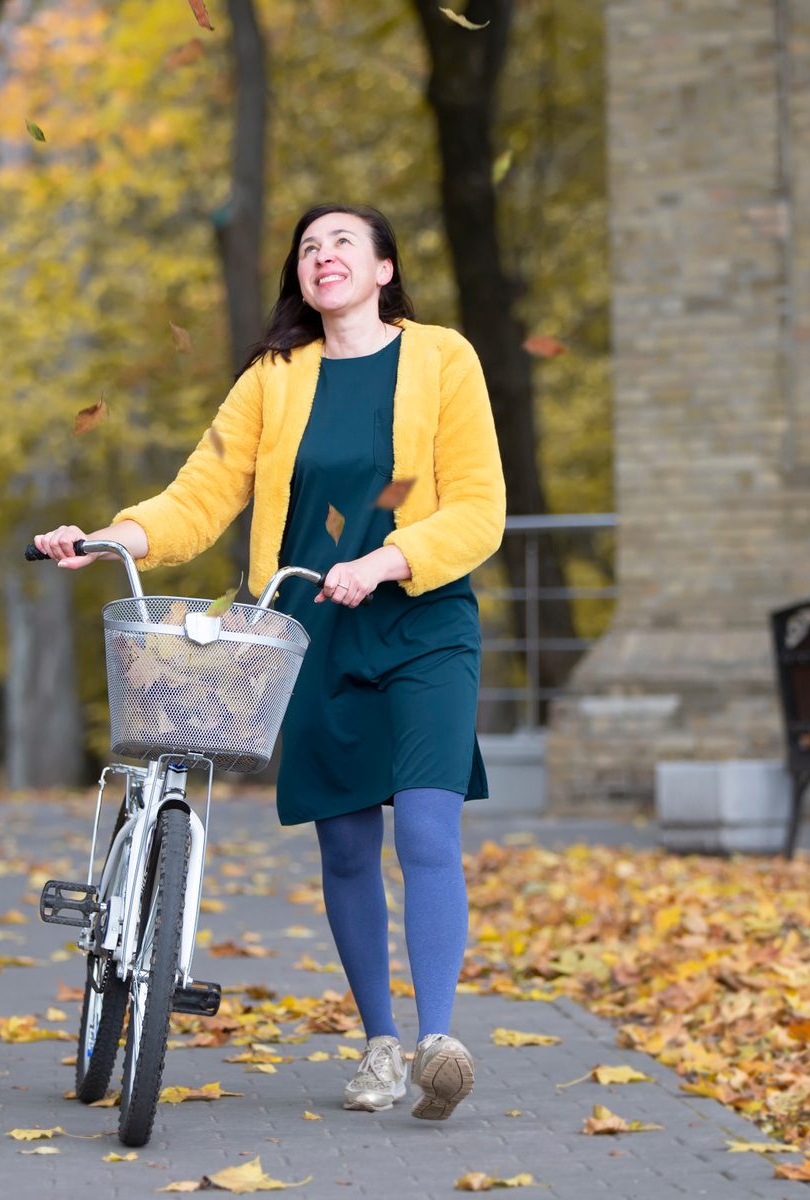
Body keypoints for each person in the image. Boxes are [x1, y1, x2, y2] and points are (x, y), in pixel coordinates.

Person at [32, 203, 505, 1121]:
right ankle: (378, 1047)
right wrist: (107, 535)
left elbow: (479, 506)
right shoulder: (274, 379)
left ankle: (438, 1043)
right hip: (310, 630)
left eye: (342, 244)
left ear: (383, 270)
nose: (322, 256)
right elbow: (200, 496)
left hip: (424, 623)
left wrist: (385, 559)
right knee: (345, 845)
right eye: (307, 247)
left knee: (426, 831)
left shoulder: (444, 358)